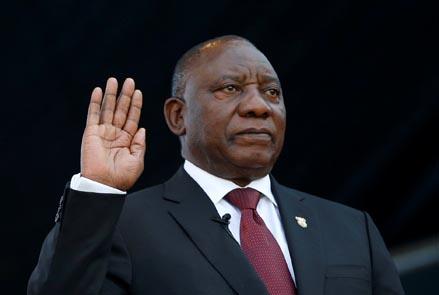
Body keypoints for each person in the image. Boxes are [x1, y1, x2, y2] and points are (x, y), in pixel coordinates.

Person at [28, 35, 405, 295]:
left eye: (272, 92)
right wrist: (98, 189)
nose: (259, 106)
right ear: (179, 117)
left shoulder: (352, 229)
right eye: (230, 88)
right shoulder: (123, 227)